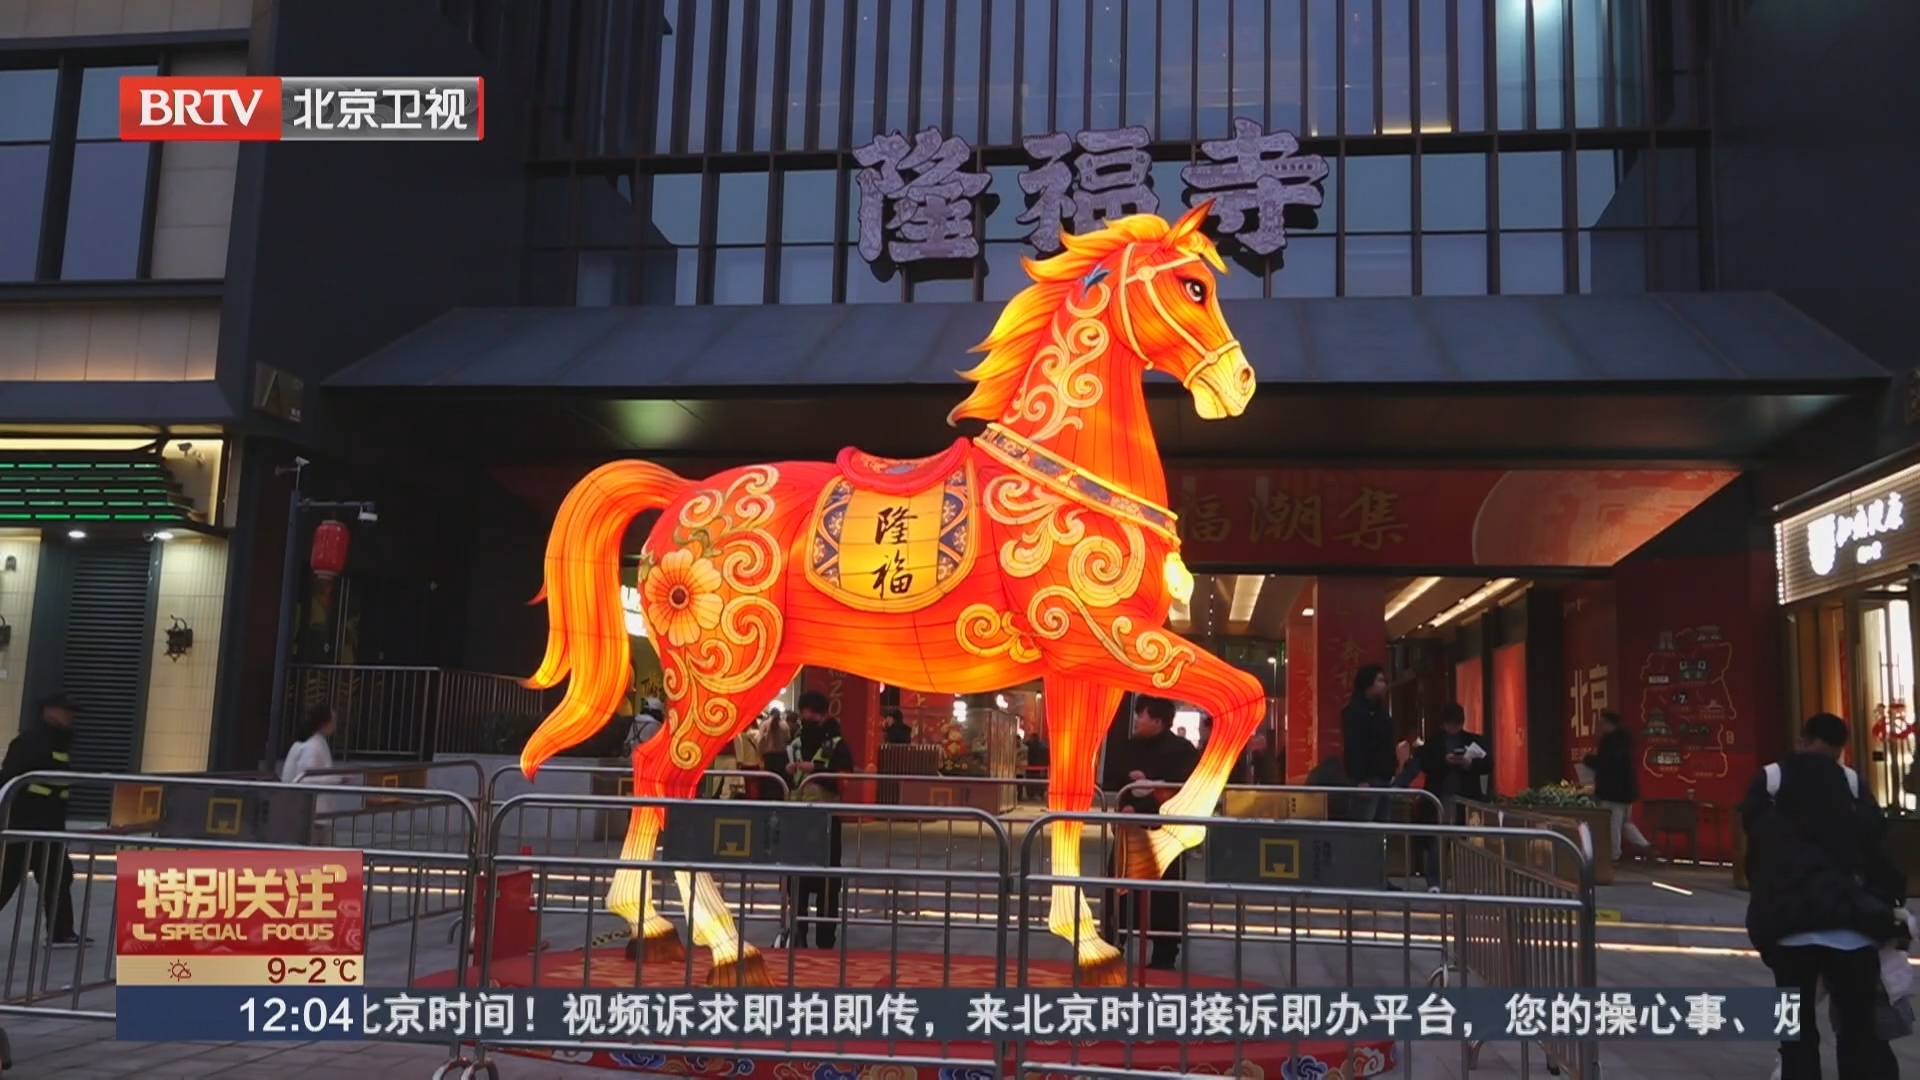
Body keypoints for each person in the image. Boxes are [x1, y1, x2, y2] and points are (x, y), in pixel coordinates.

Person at [1744, 713, 1905, 1080]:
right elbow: (1877, 854)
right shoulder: (1852, 784)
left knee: (1796, 1034)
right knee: (1857, 1034)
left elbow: (1756, 853)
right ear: (1841, 747)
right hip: (1851, 926)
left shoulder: (1772, 780)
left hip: (1789, 927)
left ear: (1802, 740)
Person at [1102, 695, 1200, 970]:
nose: (1136, 720)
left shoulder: (1181, 750)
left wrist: (1144, 800)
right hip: (1130, 832)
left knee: (1164, 894)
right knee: (1118, 889)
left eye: (1141, 715)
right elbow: (1113, 778)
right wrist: (1127, 794)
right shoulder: (1128, 747)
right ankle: (1113, 941)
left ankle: (1165, 952)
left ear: (1157, 720)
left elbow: (1179, 790)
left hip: (1164, 835)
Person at [0, 693, 86, 946]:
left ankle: (62, 932)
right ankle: (61, 932)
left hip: (49, 826)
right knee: (7, 880)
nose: (70, 716)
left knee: (59, 876)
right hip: (25, 826)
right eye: (65, 710)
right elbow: (11, 780)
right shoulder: (30, 741)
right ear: (48, 711)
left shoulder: (57, 742)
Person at [1394, 703, 1490, 890]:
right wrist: (1443, 761)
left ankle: (1467, 882)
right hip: (1440, 796)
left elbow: (1488, 764)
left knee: (1467, 841)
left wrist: (1468, 763)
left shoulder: (1472, 741)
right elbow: (1423, 763)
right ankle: (1435, 881)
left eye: (1457, 724)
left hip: (1466, 795)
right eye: (1451, 724)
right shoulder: (1434, 742)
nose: (1454, 729)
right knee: (1438, 841)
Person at [783, 693, 852, 949]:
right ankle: (798, 934)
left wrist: (817, 771)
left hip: (826, 824)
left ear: (824, 715)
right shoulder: (796, 743)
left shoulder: (837, 745)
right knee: (796, 881)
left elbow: (845, 781)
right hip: (798, 824)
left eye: (812, 713)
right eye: (804, 712)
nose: (806, 717)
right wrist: (788, 770)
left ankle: (826, 939)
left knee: (827, 883)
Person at [1582, 710, 1656, 861]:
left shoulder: (1609, 742)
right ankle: (1645, 846)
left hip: (1612, 791)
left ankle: (1613, 856)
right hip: (1626, 790)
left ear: (1608, 724)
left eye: (1601, 722)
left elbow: (1607, 763)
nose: (1599, 726)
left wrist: (1590, 760)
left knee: (1613, 825)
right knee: (1625, 823)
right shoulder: (1625, 740)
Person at [281, 704, 351, 829]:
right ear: (324, 723)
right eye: (332, 721)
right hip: (311, 813)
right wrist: (337, 779)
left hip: (310, 812)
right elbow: (307, 779)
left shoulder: (312, 743)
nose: (335, 724)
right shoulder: (313, 746)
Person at [1342, 665, 1396, 822]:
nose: (1383, 685)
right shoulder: (1354, 711)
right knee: (1364, 826)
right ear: (1368, 683)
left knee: (1382, 828)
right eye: (1379, 681)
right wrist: (1360, 779)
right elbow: (1354, 747)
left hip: (1384, 777)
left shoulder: (1382, 712)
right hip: (1366, 780)